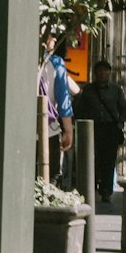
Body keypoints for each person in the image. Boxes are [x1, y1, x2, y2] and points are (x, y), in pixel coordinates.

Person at [74, 60, 126, 202]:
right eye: (100, 70)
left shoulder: (116, 89)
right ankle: (91, 188)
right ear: (95, 73)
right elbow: (80, 108)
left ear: (110, 73)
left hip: (110, 129)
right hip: (93, 128)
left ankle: (106, 191)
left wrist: (120, 124)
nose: (103, 73)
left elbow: (123, 107)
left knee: (109, 161)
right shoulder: (88, 90)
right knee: (92, 159)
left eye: (106, 71)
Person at [39, 34, 75, 189]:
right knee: (51, 175)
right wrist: (68, 130)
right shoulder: (55, 63)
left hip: (23, 127)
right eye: (52, 36)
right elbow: (63, 100)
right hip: (49, 128)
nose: (54, 40)